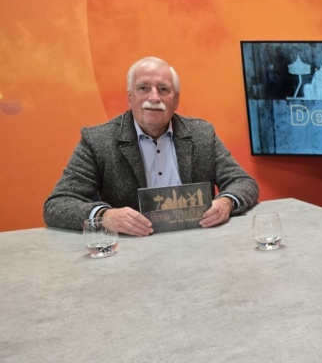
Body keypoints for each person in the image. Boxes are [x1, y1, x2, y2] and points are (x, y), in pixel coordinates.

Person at [44, 57, 259, 235]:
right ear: (130, 97)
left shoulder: (202, 134)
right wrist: (104, 216)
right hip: (131, 253)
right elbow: (57, 204)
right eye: (143, 88)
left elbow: (243, 182)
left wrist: (225, 203)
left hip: (198, 245)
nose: (154, 97)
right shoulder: (98, 140)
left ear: (175, 100)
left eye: (163, 89)